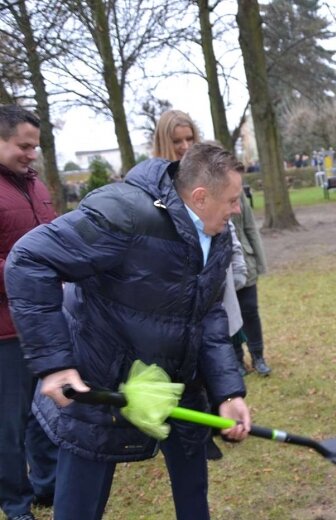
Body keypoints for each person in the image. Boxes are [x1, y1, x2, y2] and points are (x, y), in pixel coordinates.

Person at [4, 143, 252, 519]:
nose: (238, 208)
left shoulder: (215, 232)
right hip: (102, 384)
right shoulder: (122, 214)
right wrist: (55, 363)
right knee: (80, 502)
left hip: (177, 380)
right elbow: (28, 260)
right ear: (200, 197)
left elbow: (208, 312)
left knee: (192, 487)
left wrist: (228, 390)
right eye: (233, 200)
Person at [152, 109, 241, 461]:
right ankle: (192, 434)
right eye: (177, 142)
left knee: (212, 351)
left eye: (190, 139)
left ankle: (210, 425)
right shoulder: (158, 196)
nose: (185, 147)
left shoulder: (215, 195)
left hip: (208, 295)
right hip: (172, 310)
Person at [0, 105, 59, 520]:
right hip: (4, 332)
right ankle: (16, 504)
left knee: (47, 412)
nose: (30, 155)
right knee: (9, 425)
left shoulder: (36, 186)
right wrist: (31, 272)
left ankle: (46, 486)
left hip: (43, 321)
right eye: (23, 146)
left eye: (34, 147)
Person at [231, 190, 272, 377]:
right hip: (223, 266)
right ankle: (237, 359)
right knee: (229, 315)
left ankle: (258, 357)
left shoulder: (236, 190)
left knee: (250, 310)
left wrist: (260, 261)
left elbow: (250, 228)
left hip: (246, 262)